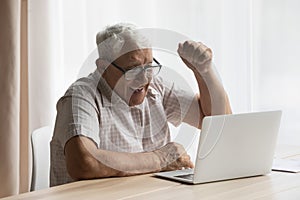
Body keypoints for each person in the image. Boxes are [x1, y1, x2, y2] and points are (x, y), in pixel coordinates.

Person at [50, 23, 232, 187]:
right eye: (133, 69)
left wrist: (205, 72)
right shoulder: (80, 95)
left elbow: (219, 121)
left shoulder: (156, 86)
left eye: (149, 66)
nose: (144, 78)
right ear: (103, 67)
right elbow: (84, 162)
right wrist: (159, 159)